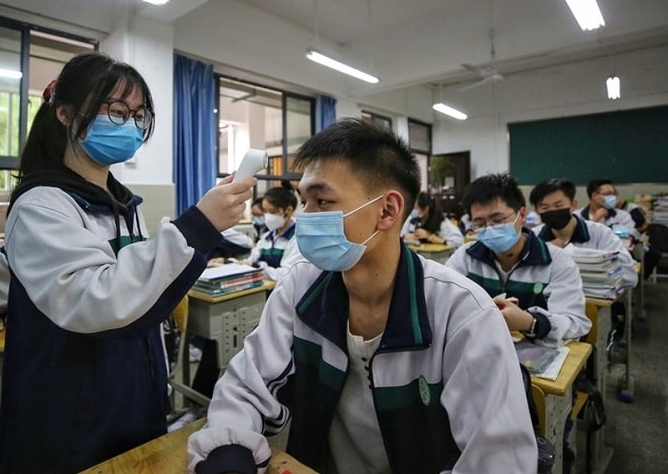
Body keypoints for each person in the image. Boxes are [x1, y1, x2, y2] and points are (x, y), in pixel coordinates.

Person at [187, 118, 537, 474]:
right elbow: (246, 387)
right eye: (304, 201)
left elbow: (499, 461)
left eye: (322, 201)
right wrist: (228, 455)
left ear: (387, 211)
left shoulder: (462, 313)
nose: (307, 217)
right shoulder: (301, 287)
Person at [0, 52, 255, 474]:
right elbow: (98, 299)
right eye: (116, 111)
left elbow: (142, 291)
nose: (130, 124)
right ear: (64, 114)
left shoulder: (121, 202)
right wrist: (200, 225)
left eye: (138, 114)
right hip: (72, 410)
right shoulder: (42, 205)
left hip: (132, 392)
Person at [446, 173, 590, 348]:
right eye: (480, 223)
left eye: (498, 220)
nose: (490, 229)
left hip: (535, 353)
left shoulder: (556, 262)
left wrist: (530, 322)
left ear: (521, 215)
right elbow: (444, 303)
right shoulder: (465, 258)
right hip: (479, 347)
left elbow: (574, 322)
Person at [528, 178, 637, 289]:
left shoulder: (601, 233)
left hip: (592, 301)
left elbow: (630, 277)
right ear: (537, 210)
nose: (552, 211)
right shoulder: (533, 237)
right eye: (544, 207)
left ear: (573, 205)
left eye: (558, 206)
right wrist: (545, 251)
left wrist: (572, 253)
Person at [245, 182, 304, 281]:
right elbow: (251, 260)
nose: (267, 216)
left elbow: (286, 274)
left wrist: (256, 267)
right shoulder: (267, 237)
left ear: (288, 210)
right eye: (265, 211)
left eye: (272, 212)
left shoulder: (298, 238)